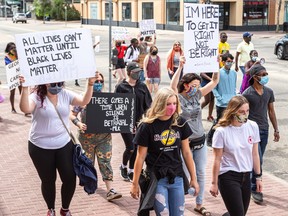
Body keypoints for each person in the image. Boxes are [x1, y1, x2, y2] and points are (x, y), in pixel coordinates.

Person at [19, 74, 97, 216]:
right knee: (48, 180)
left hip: (64, 144)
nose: (56, 87)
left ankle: (65, 209)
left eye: (59, 84)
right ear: (44, 83)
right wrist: (24, 88)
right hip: (40, 147)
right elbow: (25, 108)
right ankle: (51, 209)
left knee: (69, 178)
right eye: (52, 84)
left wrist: (90, 84)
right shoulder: (36, 97)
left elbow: (83, 100)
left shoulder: (65, 94)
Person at [130, 87, 199, 215]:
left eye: (174, 103)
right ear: (160, 104)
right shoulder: (147, 126)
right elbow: (140, 157)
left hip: (176, 176)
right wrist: (134, 183)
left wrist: (194, 178)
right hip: (157, 178)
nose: (172, 107)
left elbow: (186, 152)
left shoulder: (180, 123)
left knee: (178, 213)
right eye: (168, 104)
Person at [170, 56, 219, 216]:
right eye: (193, 86)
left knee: (200, 173)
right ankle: (181, 202)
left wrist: (216, 65)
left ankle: (199, 204)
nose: (196, 88)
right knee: (184, 174)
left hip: (200, 141)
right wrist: (180, 67)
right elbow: (172, 87)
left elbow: (214, 83)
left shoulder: (197, 95)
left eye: (198, 86)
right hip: (184, 143)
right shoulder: (177, 98)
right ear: (185, 85)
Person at [70, 72, 122, 201]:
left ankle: (110, 190)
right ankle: (90, 182)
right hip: (86, 138)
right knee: (88, 163)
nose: (98, 84)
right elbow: (72, 114)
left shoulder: (108, 98)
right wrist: (78, 123)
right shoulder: (82, 98)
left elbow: (117, 116)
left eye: (101, 82)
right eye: (96, 81)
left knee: (105, 162)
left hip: (104, 137)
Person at [210, 95, 262, 216]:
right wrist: (214, 183)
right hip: (228, 176)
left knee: (240, 213)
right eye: (242, 112)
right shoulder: (221, 131)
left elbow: (255, 154)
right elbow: (217, 159)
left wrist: (258, 177)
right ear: (233, 111)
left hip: (246, 176)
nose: (245, 114)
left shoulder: (252, 126)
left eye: (247, 111)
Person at [242, 65, 280, 203]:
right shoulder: (247, 94)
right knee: (258, 160)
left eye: (266, 74)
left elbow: (271, 111)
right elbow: (242, 113)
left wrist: (276, 129)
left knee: (257, 159)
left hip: (264, 130)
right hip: (251, 132)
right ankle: (255, 188)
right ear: (255, 77)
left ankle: (248, 182)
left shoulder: (269, 92)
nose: (265, 76)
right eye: (262, 74)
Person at [115, 62, 152, 182]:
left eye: (139, 72)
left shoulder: (142, 86)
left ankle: (131, 170)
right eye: (135, 72)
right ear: (129, 72)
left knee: (136, 148)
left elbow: (149, 104)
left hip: (140, 122)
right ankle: (123, 166)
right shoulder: (121, 87)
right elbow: (115, 105)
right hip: (125, 122)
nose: (138, 74)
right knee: (130, 147)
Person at [207, 53, 237, 147]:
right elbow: (213, 87)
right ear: (223, 62)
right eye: (228, 61)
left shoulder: (234, 73)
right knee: (219, 121)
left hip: (231, 102)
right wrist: (219, 98)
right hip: (221, 103)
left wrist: (235, 96)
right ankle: (209, 138)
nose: (230, 63)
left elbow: (234, 86)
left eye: (231, 61)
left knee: (230, 122)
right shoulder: (218, 72)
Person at [4, 42, 23, 114]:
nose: (13, 49)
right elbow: (8, 66)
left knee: (22, 92)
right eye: (11, 48)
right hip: (12, 77)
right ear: (8, 49)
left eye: (14, 47)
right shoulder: (7, 57)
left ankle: (23, 108)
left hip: (19, 75)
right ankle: (12, 108)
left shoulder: (18, 55)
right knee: (12, 93)